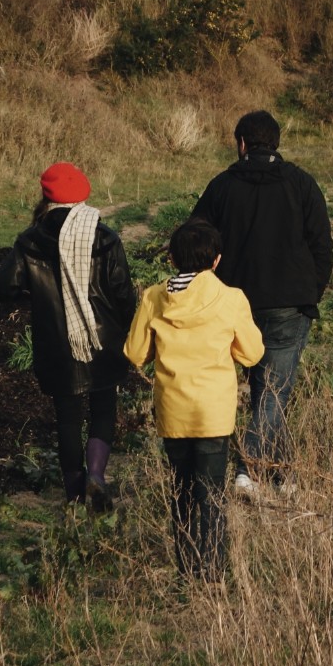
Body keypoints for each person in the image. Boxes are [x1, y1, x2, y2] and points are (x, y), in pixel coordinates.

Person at [191, 110, 332, 496]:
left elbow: (195, 241)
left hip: (232, 305)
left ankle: (280, 471)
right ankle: (249, 470)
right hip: (291, 304)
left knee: (266, 390)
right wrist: (310, 293)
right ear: (277, 142)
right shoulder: (302, 184)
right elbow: (323, 246)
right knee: (274, 391)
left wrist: (209, 289)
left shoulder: (220, 187)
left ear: (241, 144)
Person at [0, 162, 137, 511]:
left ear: (46, 198)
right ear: (83, 196)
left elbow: (2, 287)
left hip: (57, 344)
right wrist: (128, 332)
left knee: (67, 416)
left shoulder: (30, 241)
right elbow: (123, 293)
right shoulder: (104, 236)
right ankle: (97, 477)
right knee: (103, 408)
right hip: (103, 342)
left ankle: (73, 495)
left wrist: (32, 296)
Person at [124, 218, 264, 578]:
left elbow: (135, 353)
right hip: (213, 413)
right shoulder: (231, 298)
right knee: (212, 495)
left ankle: (187, 569)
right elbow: (251, 354)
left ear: (171, 259)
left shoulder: (154, 297)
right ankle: (214, 570)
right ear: (216, 260)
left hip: (172, 411)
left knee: (181, 493)